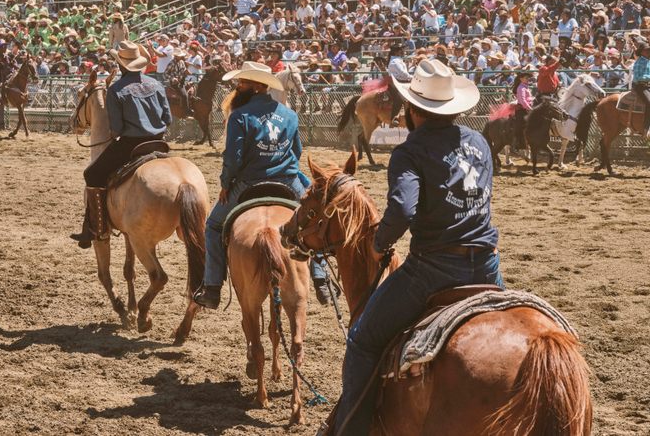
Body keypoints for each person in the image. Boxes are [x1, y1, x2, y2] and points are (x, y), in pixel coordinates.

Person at [325, 59, 504, 435]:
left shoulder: (411, 150)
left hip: (434, 268)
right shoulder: (478, 142)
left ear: (411, 108)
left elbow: (404, 209)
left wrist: (379, 244)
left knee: (362, 340)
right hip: (487, 264)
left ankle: (349, 429)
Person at [192, 62, 332, 309]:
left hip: (249, 182)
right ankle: (321, 278)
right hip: (288, 179)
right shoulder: (289, 114)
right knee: (318, 218)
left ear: (257, 86)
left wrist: (226, 183)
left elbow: (233, 158)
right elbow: (297, 150)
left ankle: (213, 287)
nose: (239, 86)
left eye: (243, 82)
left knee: (213, 226)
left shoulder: (239, 116)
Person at [70, 41, 172, 249]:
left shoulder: (117, 90)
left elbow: (115, 129)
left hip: (130, 145)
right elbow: (167, 117)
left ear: (122, 65)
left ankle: (96, 227)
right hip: (159, 143)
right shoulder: (156, 84)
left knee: (92, 174)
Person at [386, 44, 412, 126]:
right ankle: (394, 117)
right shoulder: (394, 62)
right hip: (396, 83)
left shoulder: (398, 60)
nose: (403, 51)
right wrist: (413, 78)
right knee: (400, 96)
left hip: (401, 82)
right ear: (397, 51)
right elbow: (403, 74)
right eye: (401, 49)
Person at [631, 40, 650, 137]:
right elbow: (638, 77)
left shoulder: (648, 61)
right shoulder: (639, 62)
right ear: (642, 52)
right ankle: (646, 128)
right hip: (639, 86)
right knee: (649, 102)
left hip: (646, 86)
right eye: (647, 50)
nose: (648, 52)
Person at [512, 67, 534, 149]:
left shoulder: (525, 87)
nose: (528, 79)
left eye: (528, 78)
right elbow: (523, 101)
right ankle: (519, 143)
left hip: (526, 108)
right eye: (526, 78)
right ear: (521, 79)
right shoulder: (521, 88)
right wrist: (530, 109)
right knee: (522, 125)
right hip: (522, 110)